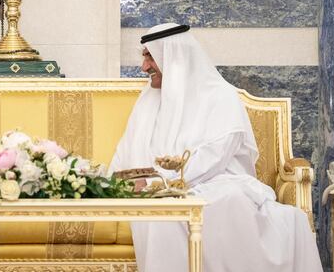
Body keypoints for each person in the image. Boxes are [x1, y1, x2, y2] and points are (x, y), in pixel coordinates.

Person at [111, 23, 322, 272]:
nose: (144, 67)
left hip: (218, 182)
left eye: (150, 57)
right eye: (144, 56)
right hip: (165, 189)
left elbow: (212, 159)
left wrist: (157, 185)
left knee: (219, 201)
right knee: (162, 211)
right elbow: (124, 156)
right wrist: (113, 184)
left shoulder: (220, 96)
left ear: (174, 58)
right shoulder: (148, 100)